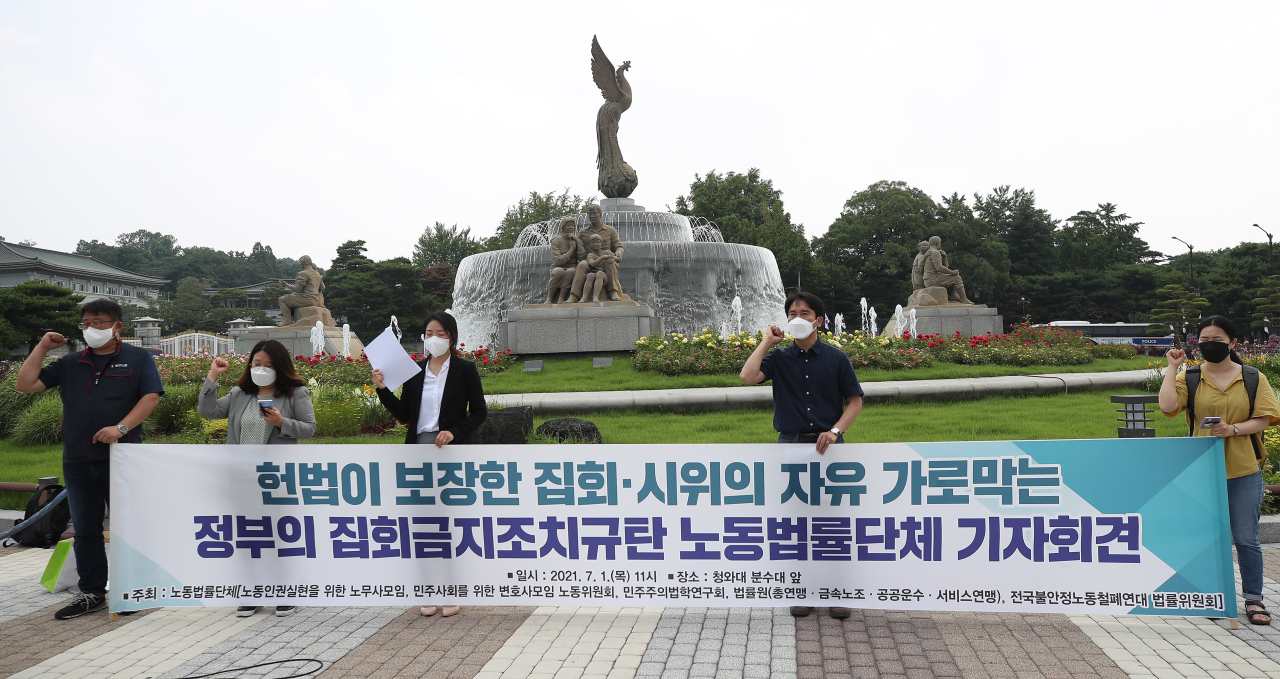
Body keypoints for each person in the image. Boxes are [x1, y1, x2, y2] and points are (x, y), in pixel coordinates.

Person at [14, 299, 164, 620]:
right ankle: (92, 592)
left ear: (116, 326)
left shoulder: (137, 359)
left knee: (128, 527)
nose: (92, 328)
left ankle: (132, 590)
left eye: (99, 322)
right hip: (79, 459)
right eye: (86, 323)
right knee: (85, 530)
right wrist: (42, 347)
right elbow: (24, 384)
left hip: (122, 457)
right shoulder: (70, 363)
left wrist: (121, 427)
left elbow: (151, 396)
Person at [739, 291, 864, 620]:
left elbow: (854, 402)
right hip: (791, 445)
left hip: (830, 448)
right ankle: (804, 591)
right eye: (792, 313)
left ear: (818, 320)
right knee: (797, 523)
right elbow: (747, 376)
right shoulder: (779, 359)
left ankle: (837, 591)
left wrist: (835, 431)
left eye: (805, 313)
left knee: (834, 523)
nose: (798, 318)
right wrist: (766, 342)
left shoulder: (837, 359)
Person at [1160, 315, 1280, 626]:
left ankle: (1254, 599)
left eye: (1217, 340)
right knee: (1208, 537)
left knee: (1246, 538)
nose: (1209, 345)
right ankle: (1214, 596)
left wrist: (1234, 429)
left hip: (1243, 470)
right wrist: (1173, 367)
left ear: (1233, 343)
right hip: (1202, 471)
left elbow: (1264, 419)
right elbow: (1167, 406)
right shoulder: (1191, 377)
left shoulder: (1253, 378)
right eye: (1204, 341)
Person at [372, 311, 486, 618]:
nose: (433, 338)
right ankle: (427, 589)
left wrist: (454, 432)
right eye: (429, 333)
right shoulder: (415, 372)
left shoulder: (465, 370)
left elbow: (478, 412)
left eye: (440, 333)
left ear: (451, 336)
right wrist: (383, 390)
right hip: (418, 451)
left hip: (448, 449)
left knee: (448, 524)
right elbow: (405, 415)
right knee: (422, 524)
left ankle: (451, 589)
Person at [199, 338, 316, 618]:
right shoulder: (241, 393)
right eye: (256, 363)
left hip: (275, 478)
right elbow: (209, 411)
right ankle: (252, 591)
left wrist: (281, 423)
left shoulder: (294, 393)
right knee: (248, 535)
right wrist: (212, 376)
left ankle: (284, 591)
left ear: (280, 367)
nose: (261, 369)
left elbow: (309, 428)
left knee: (278, 534)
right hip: (242, 477)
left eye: (268, 365)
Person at [547, 216, 583, 304]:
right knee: (559, 272)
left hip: (572, 267)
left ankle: (562, 298)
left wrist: (577, 242)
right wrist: (571, 249)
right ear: (563, 227)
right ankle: (550, 297)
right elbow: (558, 260)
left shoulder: (577, 240)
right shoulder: (556, 241)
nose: (571, 227)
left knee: (571, 272)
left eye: (572, 225)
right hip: (558, 266)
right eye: (568, 225)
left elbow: (582, 258)